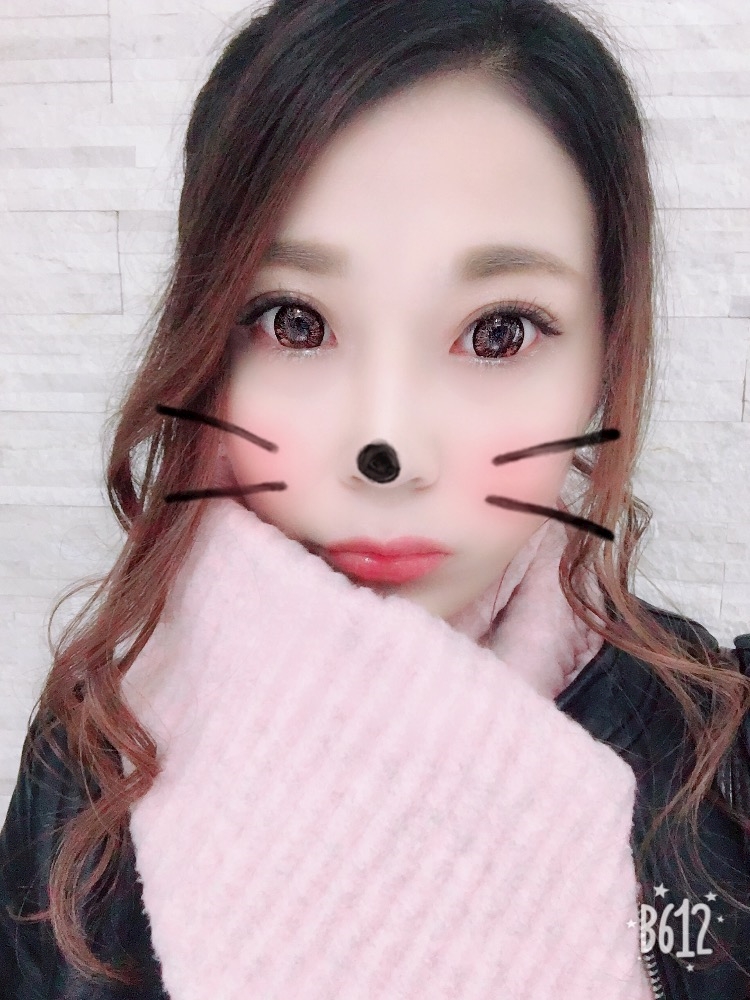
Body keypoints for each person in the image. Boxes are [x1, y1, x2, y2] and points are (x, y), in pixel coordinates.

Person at [1, 1, 749, 998]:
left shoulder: (722, 751)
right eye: (294, 322)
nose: (386, 448)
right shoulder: (100, 741)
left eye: (498, 332)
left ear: (605, 359)